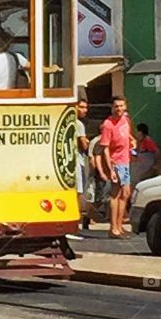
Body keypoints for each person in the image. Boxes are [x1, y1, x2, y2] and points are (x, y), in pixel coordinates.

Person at [97, 95, 135, 238]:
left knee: (125, 194)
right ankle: (113, 228)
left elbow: (128, 136)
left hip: (125, 161)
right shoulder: (108, 124)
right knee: (116, 194)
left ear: (125, 106)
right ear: (112, 108)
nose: (119, 109)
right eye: (116, 106)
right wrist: (110, 168)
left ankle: (119, 226)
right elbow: (104, 147)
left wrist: (133, 142)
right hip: (116, 162)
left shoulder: (125, 120)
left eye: (121, 106)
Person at [75, 98, 91, 230]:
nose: (84, 110)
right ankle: (75, 221)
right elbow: (84, 145)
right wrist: (87, 142)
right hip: (77, 161)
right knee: (78, 192)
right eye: (81, 107)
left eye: (85, 107)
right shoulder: (79, 124)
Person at [131, 122, 161, 187]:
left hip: (148, 168)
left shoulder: (147, 141)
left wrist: (156, 164)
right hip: (142, 167)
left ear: (141, 132)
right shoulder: (140, 142)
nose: (136, 134)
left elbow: (157, 151)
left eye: (137, 132)